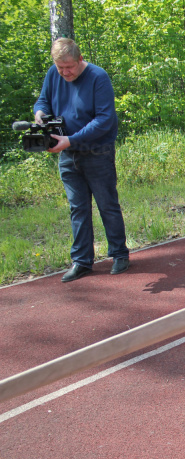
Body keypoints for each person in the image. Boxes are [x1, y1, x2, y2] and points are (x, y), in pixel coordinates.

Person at [33, 38, 130, 283]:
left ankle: (119, 254)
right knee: (77, 208)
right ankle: (82, 261)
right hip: (67, 154)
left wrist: (71, 140)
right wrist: (40, 115)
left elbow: (104, 119)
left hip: (97, 151)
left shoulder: (98, 77)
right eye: (60, 67)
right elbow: (43, 101)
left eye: (69, 67)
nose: (65, 72)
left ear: (80, 59)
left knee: (107, 204)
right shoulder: (53, 75)